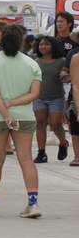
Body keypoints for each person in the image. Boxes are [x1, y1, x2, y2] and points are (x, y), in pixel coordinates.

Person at [0, 23, 43, 218]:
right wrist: (13, 104)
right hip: (24, 116)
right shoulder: (32, 63)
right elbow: (35, 94)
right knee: (26, 159)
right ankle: (33, 203)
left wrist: (7, 115)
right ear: (22, 41)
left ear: (1, 39)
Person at [31, 35, 68, 164]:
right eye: (41, 44)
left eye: (46, 44)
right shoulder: (36, 62)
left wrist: (65, 76)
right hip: (39, 97)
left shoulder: (61, 61)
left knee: (56, 124)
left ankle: (63, 143)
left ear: (53, 46)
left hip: (56, 97)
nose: (43, 47)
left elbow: (68, 76)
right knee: (40, 124)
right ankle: (41, 152)